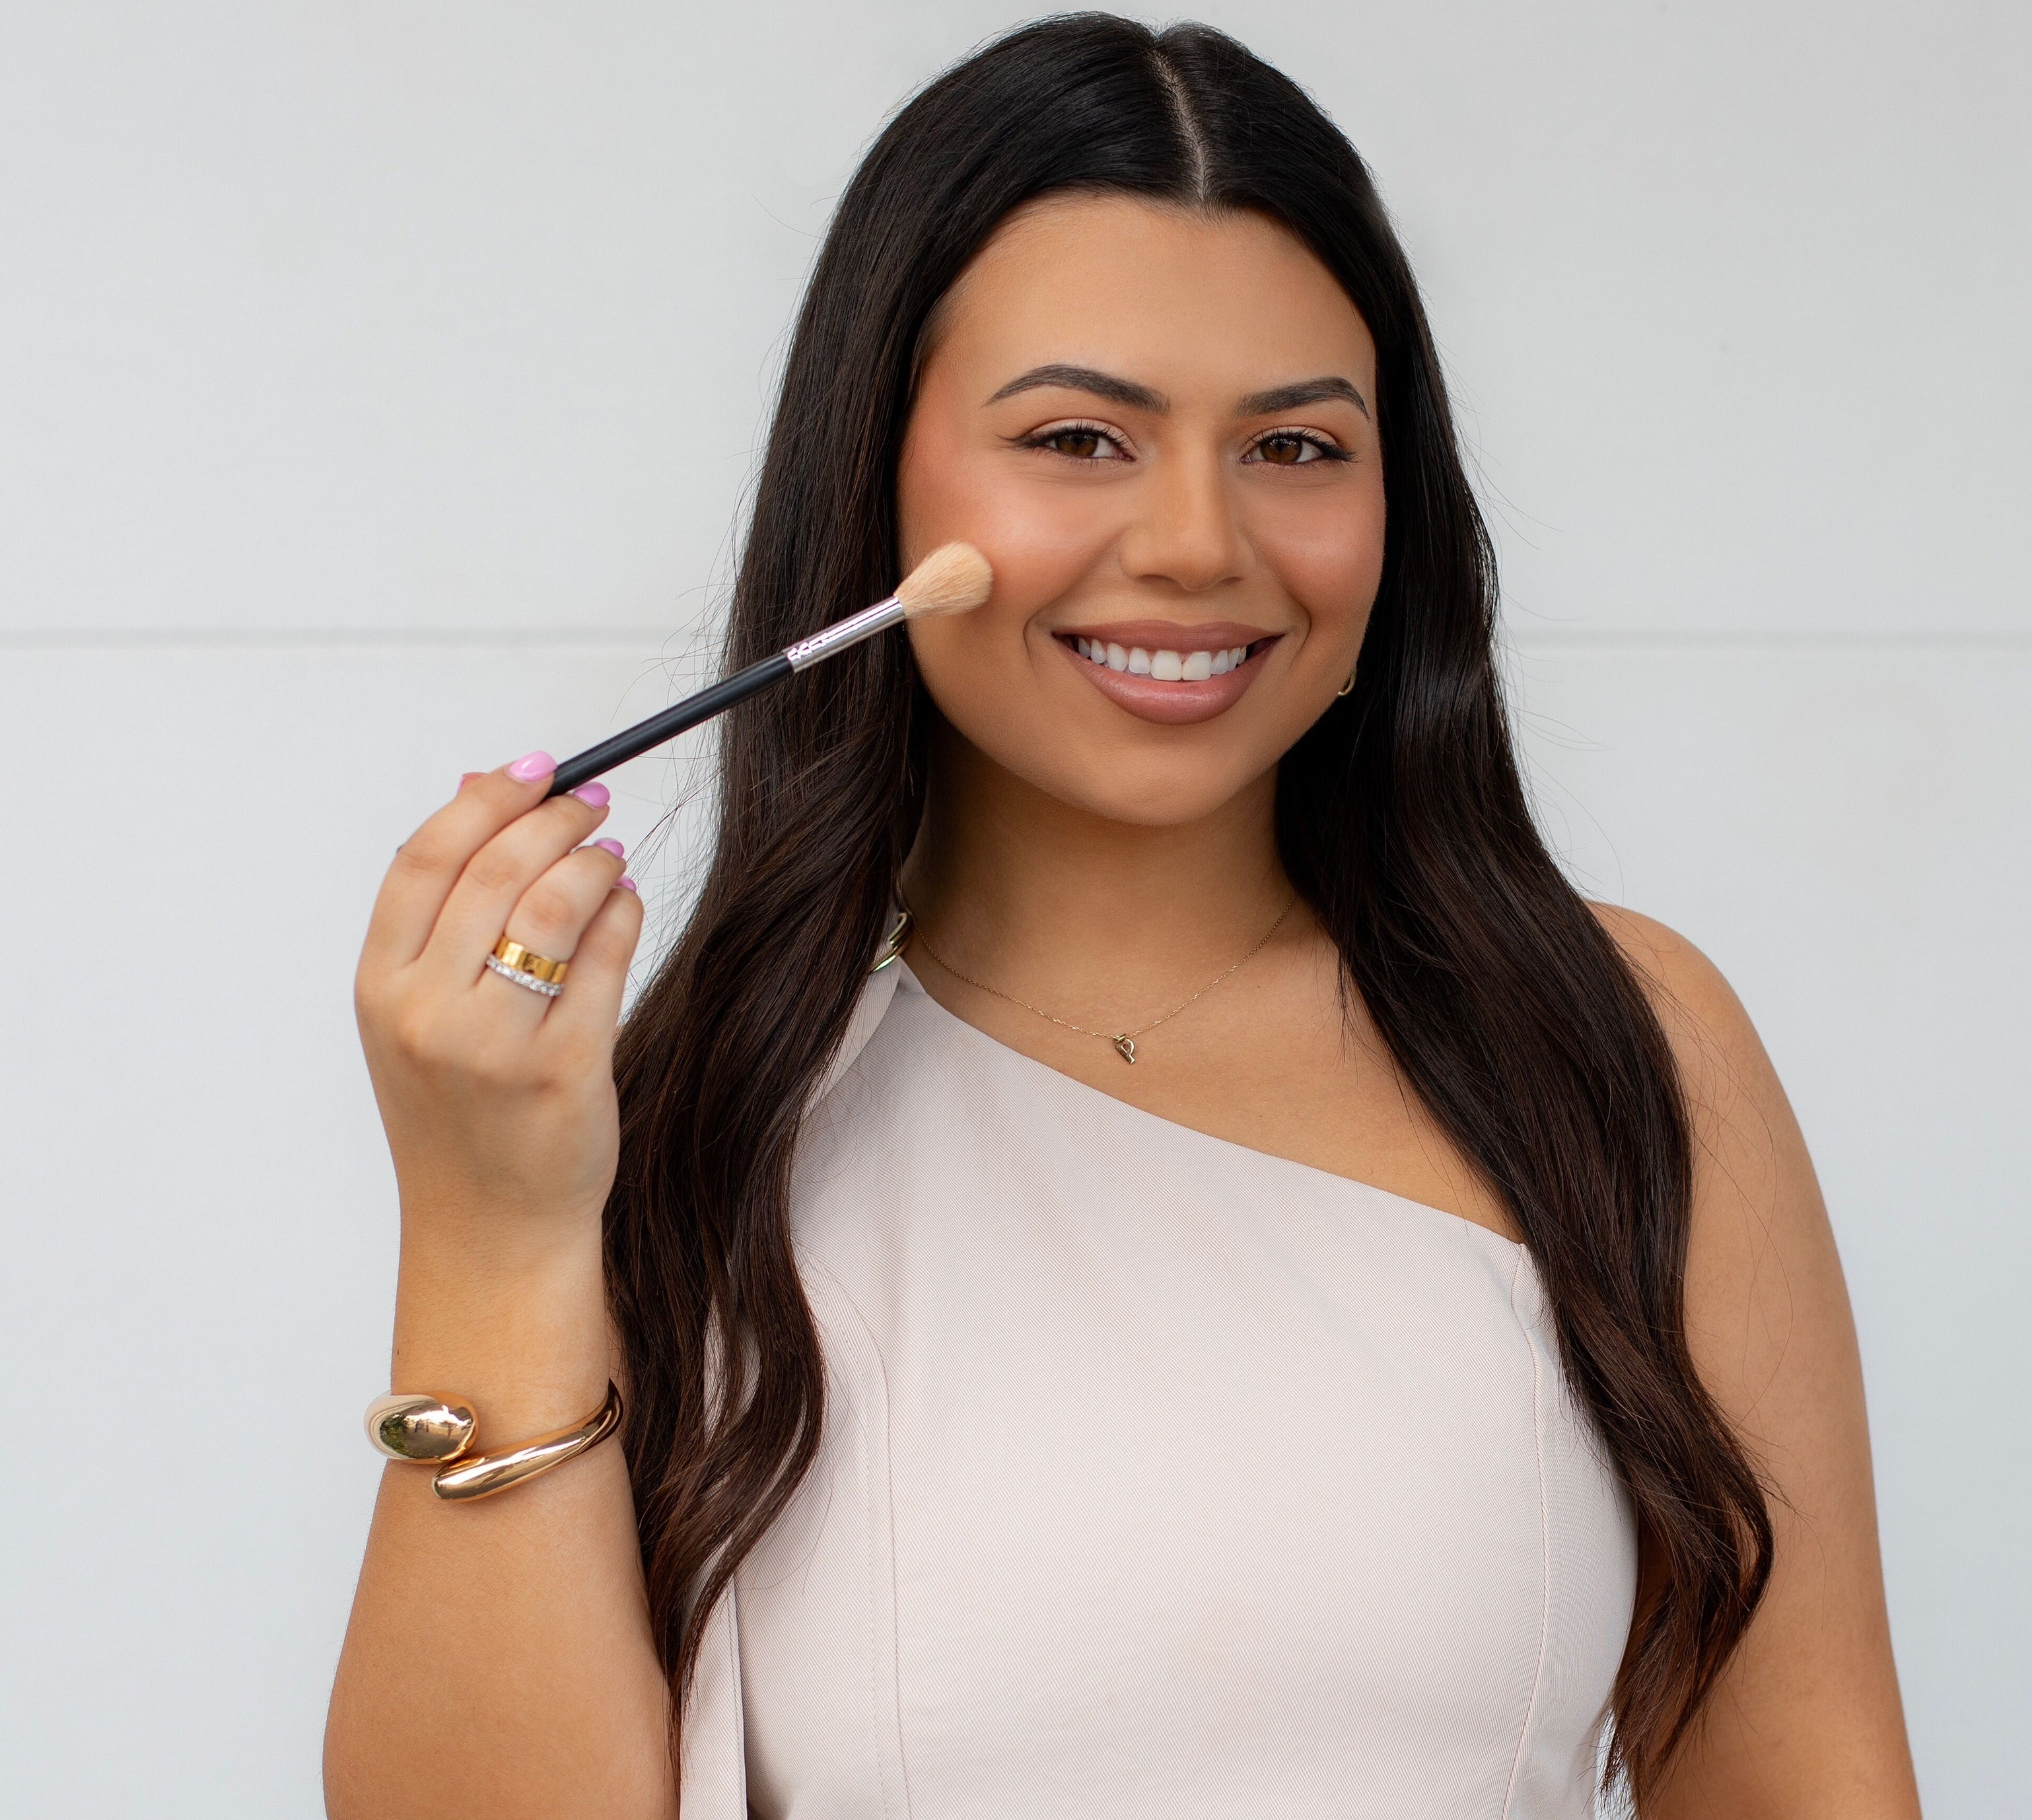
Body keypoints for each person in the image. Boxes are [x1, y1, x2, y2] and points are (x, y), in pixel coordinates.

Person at [326, 17, 1919, 1818]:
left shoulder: (1623, 1038)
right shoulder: (668, 1136)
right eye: (1080, 436)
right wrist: (483, 1219)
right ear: (879, 478)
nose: (1193, 542)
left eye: (1298, 449)